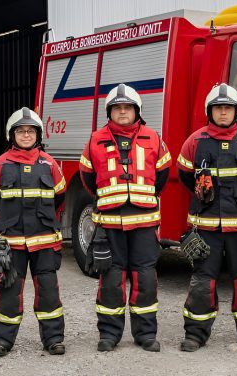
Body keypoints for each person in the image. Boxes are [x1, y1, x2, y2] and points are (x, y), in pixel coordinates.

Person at [176, 84, 237, 354]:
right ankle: (195, 334)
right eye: (218, 108)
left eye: (227, 108)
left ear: (236, 111)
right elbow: (185, 175)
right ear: (210, 111)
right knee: (202, 281)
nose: (222, 112)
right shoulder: (195, 140)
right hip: (206, 226)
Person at [79, 84, 171, 352]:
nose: (122, 112)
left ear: (136, 111)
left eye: (127, 107)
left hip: (144, 223)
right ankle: (109, 334)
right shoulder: (96, 139)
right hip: (109, 224)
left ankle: (145, 334)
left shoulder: (153, 138)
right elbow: (87, 178)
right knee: (110, 279)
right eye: (118, 107)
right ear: (110, 111)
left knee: (145, 279)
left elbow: (163, 174)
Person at [0, 107, 68, 357]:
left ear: (38, 134)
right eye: (21, 131)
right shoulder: (0, 164)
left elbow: (59, 196)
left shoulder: (49, 163)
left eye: (31, 131)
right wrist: (7, 220)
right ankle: (2, 341)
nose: (26, 135)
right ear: (12, 135)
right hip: (12, 243)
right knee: (9, 292)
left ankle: (53, 339)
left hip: (44, 242)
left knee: (49, 293)